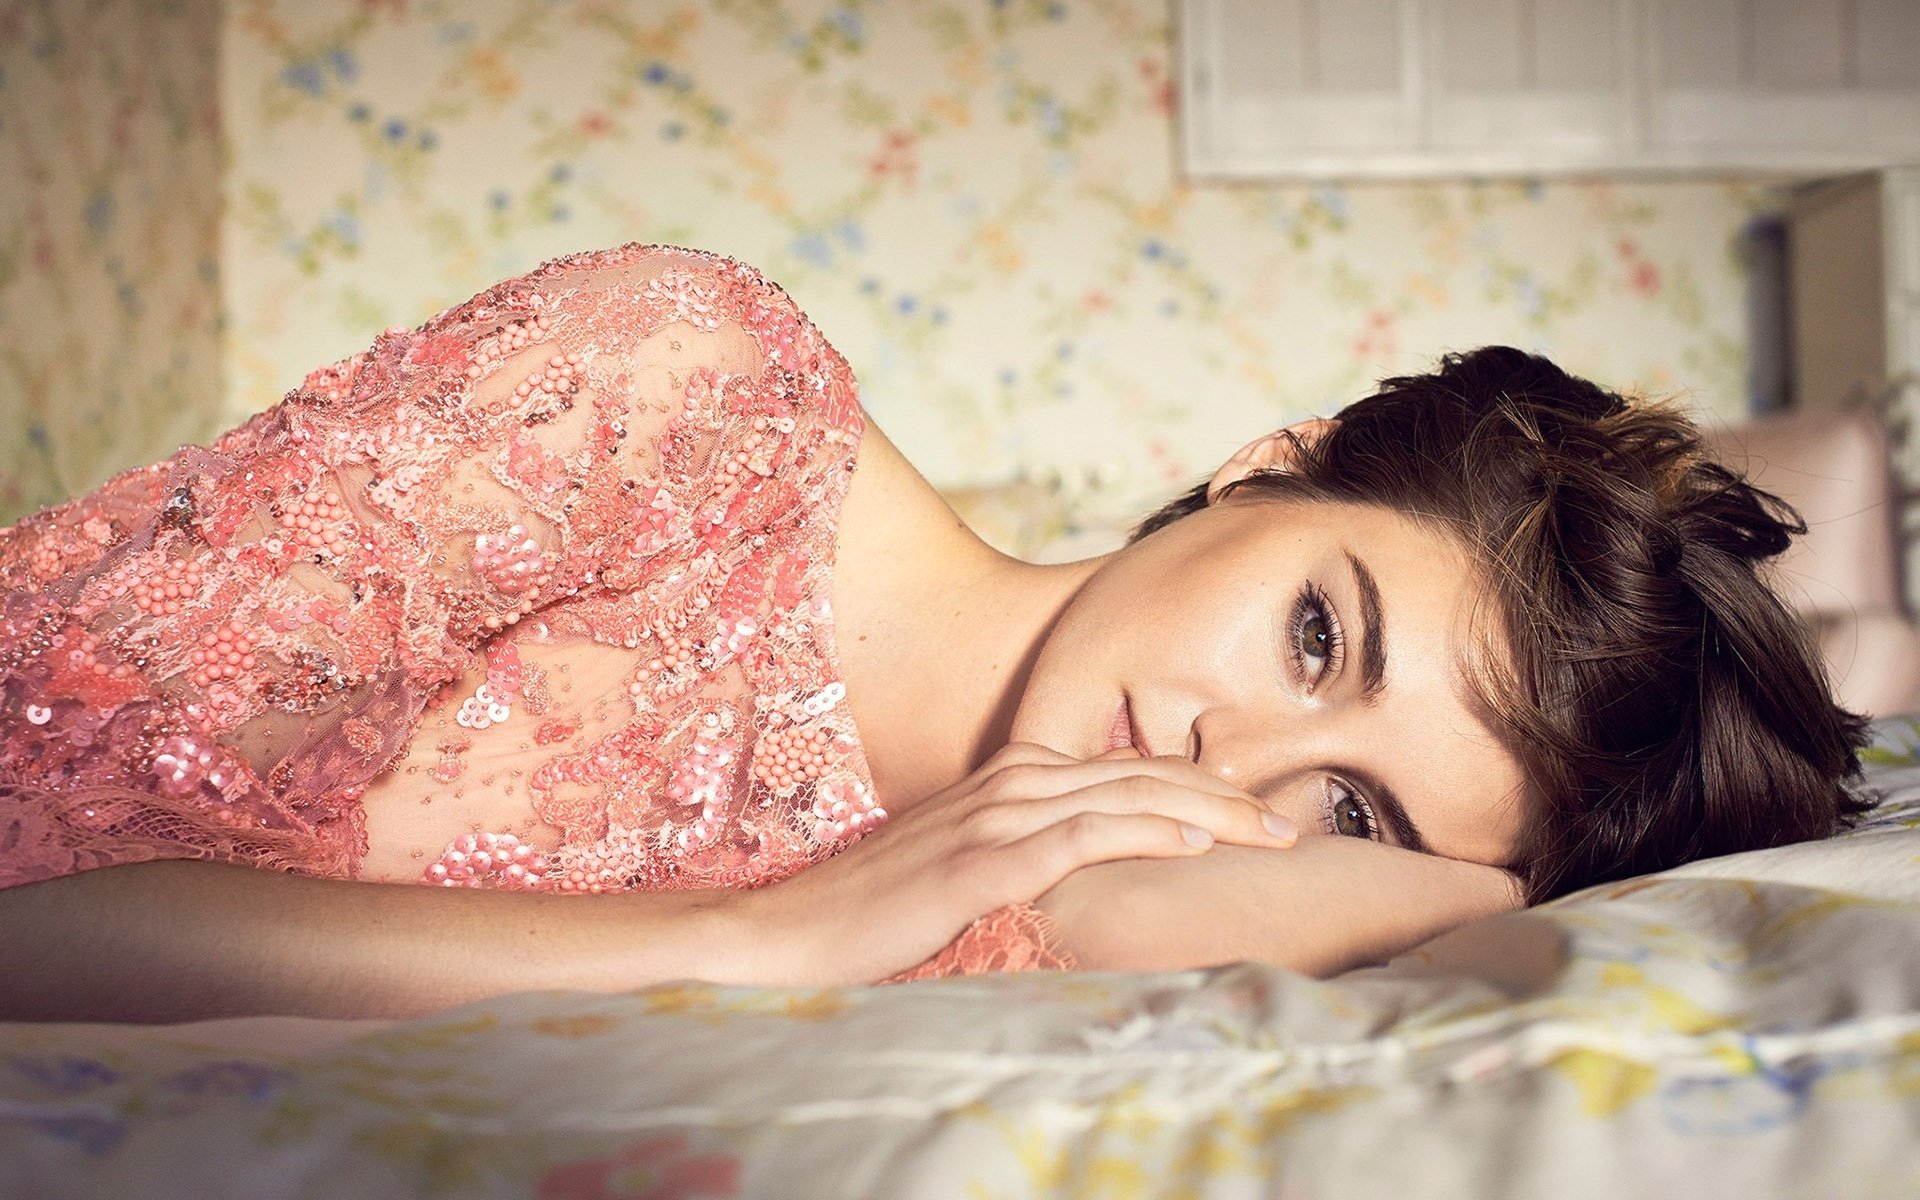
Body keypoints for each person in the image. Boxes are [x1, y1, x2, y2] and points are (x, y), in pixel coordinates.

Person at [0, 244, 1870, 1023]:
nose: (1228, 772)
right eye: (1319, 638)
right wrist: (770, 938)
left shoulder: (1131, 892)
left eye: (1354, 809)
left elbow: (1480, 913)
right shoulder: (682, 386)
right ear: (1263, 467)